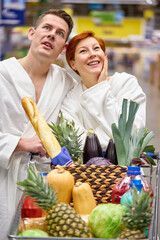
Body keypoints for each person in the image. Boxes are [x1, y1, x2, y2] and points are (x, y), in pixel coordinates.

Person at [0, 9, 76, 239]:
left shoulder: (65, 82)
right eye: (47, 28)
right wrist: (20, 143)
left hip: (44, 184)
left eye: (60, 33)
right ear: (32, 33)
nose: (52, 35)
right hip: (4, 175)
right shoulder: (3, 74)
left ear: (63, 48)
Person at [61, 31, 146, 151]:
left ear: (104, 56)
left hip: (128, 169)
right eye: (83, 51)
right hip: (87, 169)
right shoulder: (71, 99)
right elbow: (77, 146)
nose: (92, 54)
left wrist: (101, 87)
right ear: (73, 64)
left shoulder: (125, 83)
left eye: (96, 48)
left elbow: (131, 136)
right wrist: (112, 141)